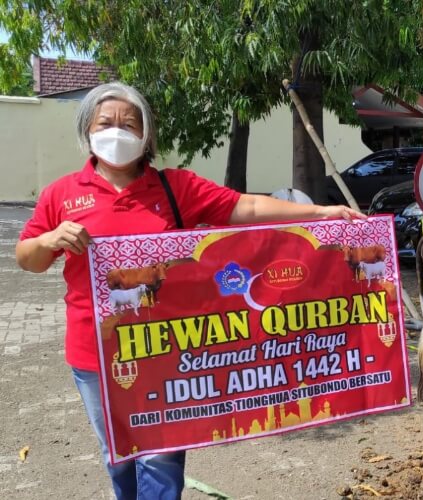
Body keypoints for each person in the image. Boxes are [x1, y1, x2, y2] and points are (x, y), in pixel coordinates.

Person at [15, 81, 365, 500]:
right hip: (96, 354)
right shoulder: (62, 194)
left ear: (146, 134)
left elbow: (247, 206)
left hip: (165, 348)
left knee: (160, 458)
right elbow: (28, 259)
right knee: (118, 455)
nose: (117, 132)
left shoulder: (175, 188)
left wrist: (319, 212)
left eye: (130, 124)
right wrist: (49, 239)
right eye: (105, 123)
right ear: (86, 130)